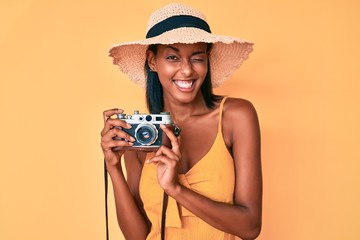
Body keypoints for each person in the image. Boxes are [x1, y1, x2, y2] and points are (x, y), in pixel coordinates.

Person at [101, 3, 262, 240]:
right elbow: (137, 236)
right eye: (173, 57)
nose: (186, 71)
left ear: (207, 61)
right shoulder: (142, 134)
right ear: (152, 61)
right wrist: (113, 167)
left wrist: (175, 189)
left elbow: (250, 227)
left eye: (197, 58)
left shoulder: (236, 116)